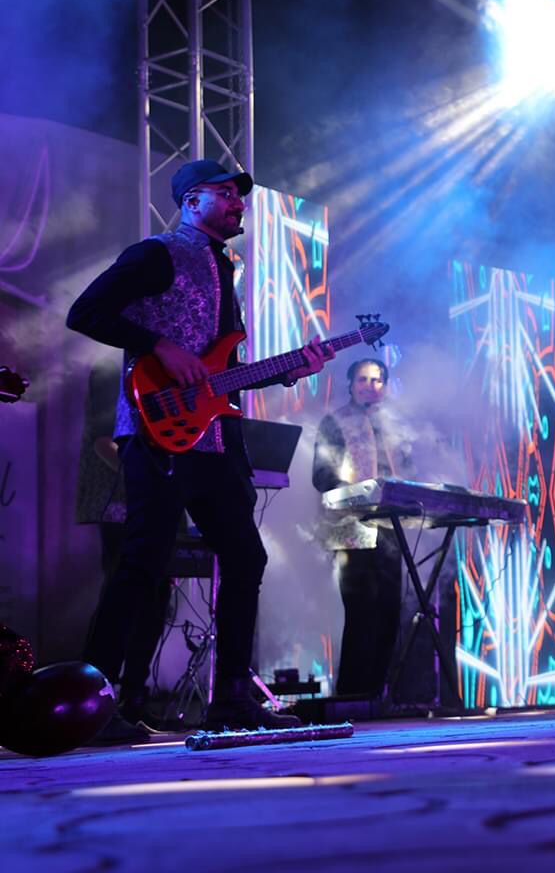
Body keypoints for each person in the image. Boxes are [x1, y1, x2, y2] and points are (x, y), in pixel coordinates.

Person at [66, 158, 335, 740]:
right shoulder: (156, 253)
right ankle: (93, 703)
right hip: (156, 430)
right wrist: (157, 344)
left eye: (240, 197)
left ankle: (232, 700)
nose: (240, 203)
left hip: (212, 438)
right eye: (225, 194)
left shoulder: (224, 266)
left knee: (244, 557)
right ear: (191, 202)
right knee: (142, 562)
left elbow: (220, 373)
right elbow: (83, 312)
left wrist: (289, 370)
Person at [75, 358, 171, 731]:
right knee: (125, 594)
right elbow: (103, 440)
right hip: (117, 503)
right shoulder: (107, 368)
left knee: (156, 597)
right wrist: (147, 478)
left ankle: (134, 698)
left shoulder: (153, 365)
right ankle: (98, 701)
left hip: (148, 500)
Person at [312, 358, 411, 696]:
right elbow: (321, 476)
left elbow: (407, 473)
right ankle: (353, 695)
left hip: (389, 527)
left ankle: (378, 694)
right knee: (360, 614)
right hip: (351, 529)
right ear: (350, 384)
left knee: (388, 612)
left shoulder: (395, 426)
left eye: (377, 380)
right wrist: (359, 490)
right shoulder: (335, 421)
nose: (370, 386)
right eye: (363, 380)